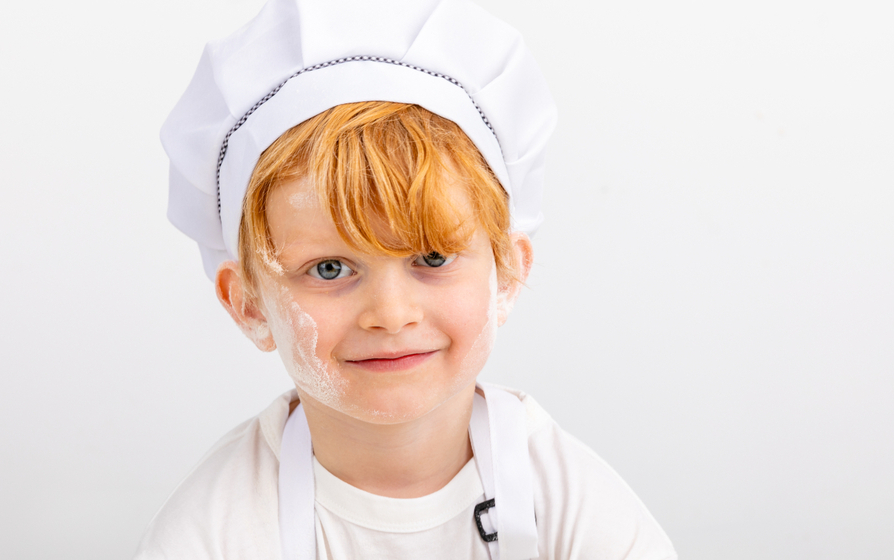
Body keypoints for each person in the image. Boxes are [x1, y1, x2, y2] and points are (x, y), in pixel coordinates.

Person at [137, 0, 678, 558]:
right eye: (330, 269)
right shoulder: (212, 531)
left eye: (434, 259)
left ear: (508, 272)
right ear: (248, 304)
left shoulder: (575, 508)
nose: (392, 314)